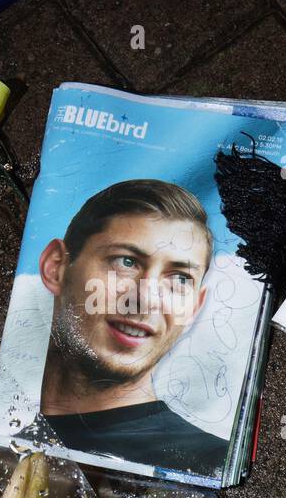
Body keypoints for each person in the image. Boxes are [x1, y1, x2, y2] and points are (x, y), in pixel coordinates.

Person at [37, 179, 228, 474]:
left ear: (193, 308)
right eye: (126, 261)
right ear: (56, 266)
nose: (145, 299)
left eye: (179, 279)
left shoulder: (209, 463)